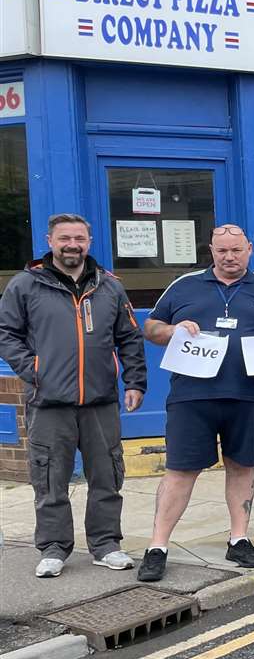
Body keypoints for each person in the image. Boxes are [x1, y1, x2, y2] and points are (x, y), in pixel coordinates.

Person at [141, 224, 254, 582]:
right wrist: (170, 331)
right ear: (211, 251)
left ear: (249, 249)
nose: (229, 257)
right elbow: (150, 327)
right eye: (222, 251)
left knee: (242, 466)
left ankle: (239, 538)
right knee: (181, 471)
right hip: (192, 398)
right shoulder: (184, 286)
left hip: (251, 396)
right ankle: (157, 546)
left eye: (236, 250)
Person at [0, 214, 146, 577]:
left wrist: (135, 382)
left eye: (79, 238)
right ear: (50, 240)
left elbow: (129, 337)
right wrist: (33, 370)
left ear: (89, 241)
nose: (72, 244)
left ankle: (105, 544)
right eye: (64, 237)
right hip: (49, 403)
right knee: (49, 478)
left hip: (101, 401)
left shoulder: (110, 287)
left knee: (108, 476)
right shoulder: (26, 285)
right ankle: (53, 547)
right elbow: (6, 333)